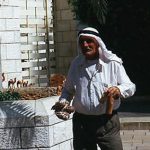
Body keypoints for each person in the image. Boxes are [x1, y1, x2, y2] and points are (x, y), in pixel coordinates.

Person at [52, 27, 136, 150]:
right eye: (82, 42)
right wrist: (63, 103)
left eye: (89, 41)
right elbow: (68, 90)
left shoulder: (112, 62)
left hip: (107, 123)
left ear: (97, 42)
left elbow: (130, 86)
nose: (85, 45)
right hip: (81, 123)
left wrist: (118, 89)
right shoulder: (76, 64)